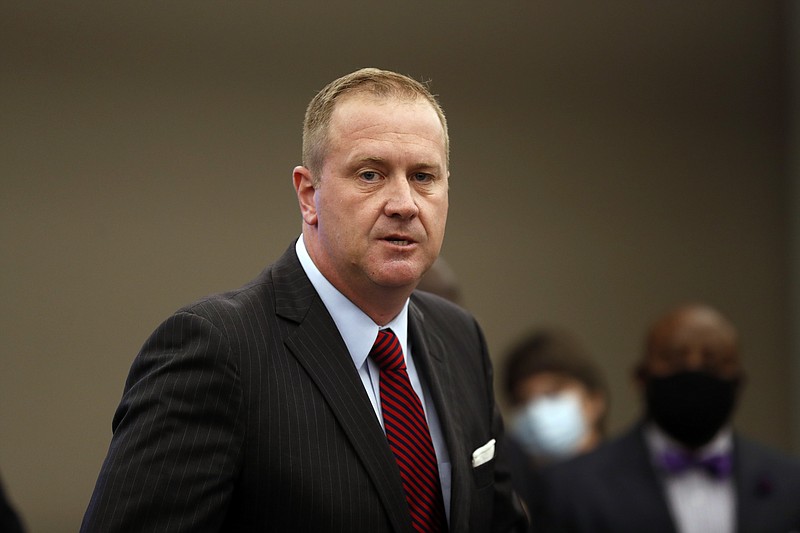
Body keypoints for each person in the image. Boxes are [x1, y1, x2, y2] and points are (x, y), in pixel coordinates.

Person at [81, 67, 526, 533]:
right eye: (371, 174)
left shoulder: (460, 339)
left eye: (423, 176)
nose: (404, 203)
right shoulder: (218, 350)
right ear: (309, 195)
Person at [529, 303, 800, 533]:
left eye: (712, 363)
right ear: (640, 378)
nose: (694, 371)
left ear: (738, 382)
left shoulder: (790, 484)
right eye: (674, 360)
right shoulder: (571, 489)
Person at [500, 328, 608, 516]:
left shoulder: (635, 486)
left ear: (594, 400)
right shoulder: (513, 506)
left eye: (552, 394)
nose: (536, 412)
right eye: (523, 401)